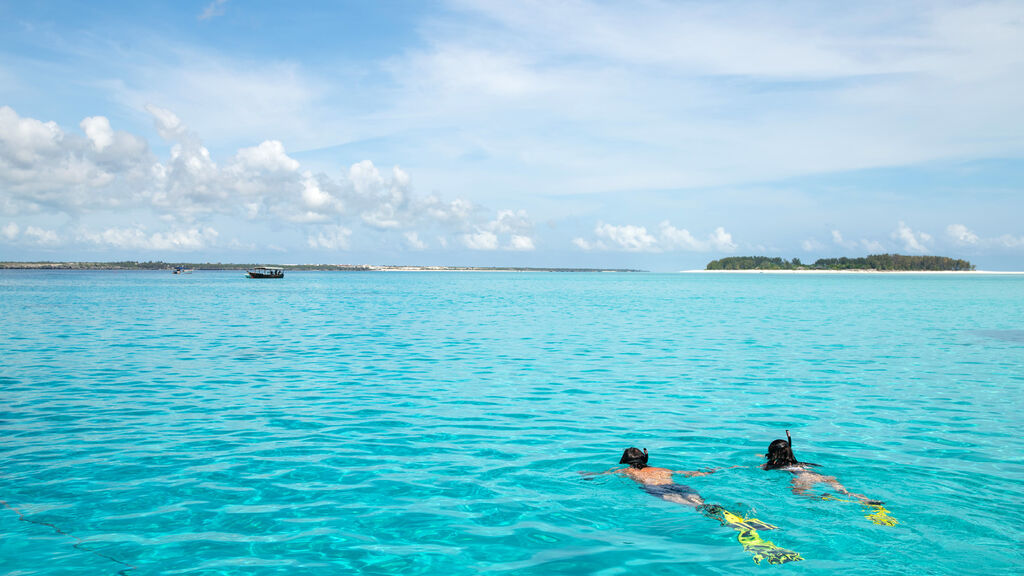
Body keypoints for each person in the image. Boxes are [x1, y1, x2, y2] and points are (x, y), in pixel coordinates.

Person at [584, 447, 803, 564]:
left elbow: (603, 475)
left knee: (698, 509)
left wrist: (587, 475)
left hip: (658, 491)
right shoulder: (661, 468)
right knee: (702, 502)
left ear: (626, 461)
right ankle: (740, 519)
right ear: (644, 458)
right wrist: (704, 472)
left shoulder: (627, 472)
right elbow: (687, 473)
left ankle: (735, 526)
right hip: (680, 486)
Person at [761, 430, 882, 505]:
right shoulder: (800, 463)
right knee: (844, 492)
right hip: (819, 476)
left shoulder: (772, 466)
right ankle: (864, 499)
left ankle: (823, 498)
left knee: (797, 493)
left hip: (803, 478)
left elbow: (762, 466)